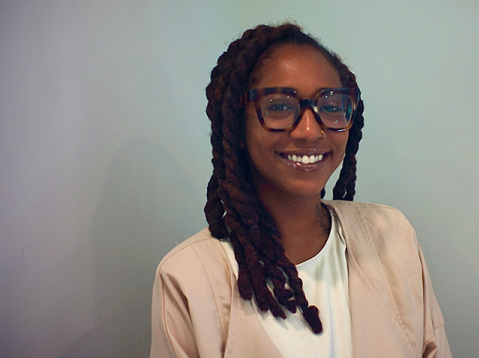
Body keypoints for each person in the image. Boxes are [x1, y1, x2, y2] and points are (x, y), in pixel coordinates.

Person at [150, 23, 451, 358]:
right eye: (279, 106)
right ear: (238, 123)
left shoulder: (393, 239)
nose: (310, 130)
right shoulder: (188, 279)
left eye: (331, 105)